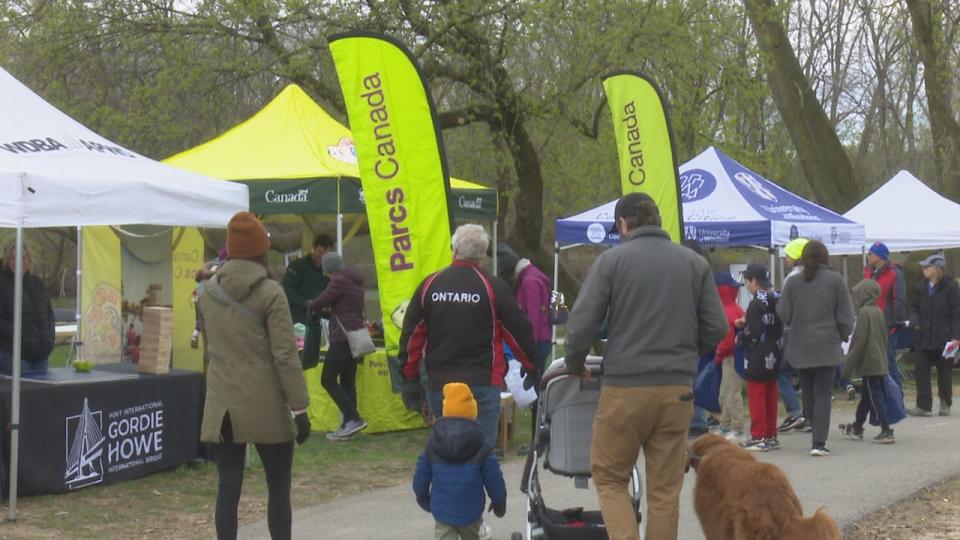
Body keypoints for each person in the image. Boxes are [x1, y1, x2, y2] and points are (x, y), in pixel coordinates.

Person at [564, 192, 727, 540]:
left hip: (625, 388)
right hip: (677, 391)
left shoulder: (612, 261)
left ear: (623, 224)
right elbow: (717, 328)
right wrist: (684, 354)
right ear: (657, 219)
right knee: (664, 491)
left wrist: (575, 362)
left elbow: (582, 322)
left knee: (610, 478)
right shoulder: (694, 263)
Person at [198, 211, 311, 540]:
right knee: (278, 487)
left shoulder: (206, 293)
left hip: (223, 405)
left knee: (228, 485)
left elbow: (211, 348)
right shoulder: (271, 293)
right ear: (263, 249)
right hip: (265, 402)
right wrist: (299, 408)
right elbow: (285, 355)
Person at [399, 224, 539, 449]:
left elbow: (411, 338)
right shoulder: (493, 286)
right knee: (482, 454)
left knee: (447, 452)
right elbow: (519, 330)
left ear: (454, 249)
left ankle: (448, 484)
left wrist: (410, 379)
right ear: (482, 255)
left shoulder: (430, 285)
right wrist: (531, 364)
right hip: (483, 382)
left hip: (440, 385)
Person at [777, 240, 854, 457]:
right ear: (825, 257)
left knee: (808, 393)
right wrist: (842, 335)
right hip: (827, 345)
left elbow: (784, 313)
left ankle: (812, 425)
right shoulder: (835, 280)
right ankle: (819, 442)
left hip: (800, 345)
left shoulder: (793, 282)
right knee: (823, 393)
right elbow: (845, 316)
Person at [413, 382, 507, 540]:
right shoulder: (482, 444)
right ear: (473, 411)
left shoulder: (433, 442)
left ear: (445, 410)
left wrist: (422, 496)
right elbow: (494, 478)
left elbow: (421, 475)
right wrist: (499, 502)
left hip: (442, 509)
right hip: (471, 510)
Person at [307, 252, 368, 440]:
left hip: (342, 337)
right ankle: (348, 427)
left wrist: (310, 304)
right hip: (355, 336)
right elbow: (344, 306)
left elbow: (322, 300)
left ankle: (353, 418)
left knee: (328, 379)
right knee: (347, 381)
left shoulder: (339, 280)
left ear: (330, 269)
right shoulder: (354, 281)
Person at [496, 242, 552, 443]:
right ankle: (539, 437)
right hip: (540, 341)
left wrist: (530, 350)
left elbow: (532, 320)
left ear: (511, 272)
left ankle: (539, 438)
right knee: (536, 390)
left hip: (536, 343)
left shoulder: (529, 282)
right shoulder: (533, 276)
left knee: (535, 392)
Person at [838, 279, 895, 443]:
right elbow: (884, 337)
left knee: (874, 397)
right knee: (867, 397)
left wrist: (847, 367)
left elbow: (859, 342)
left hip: (870, 364)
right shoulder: (878, 310)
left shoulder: (864, 312)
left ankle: (886, 430)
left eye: (858, 294)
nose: (856, 298)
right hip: (879, 361)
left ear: (865, 295)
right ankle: (857, 427)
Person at [907, 254, 960, 417]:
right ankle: (923, 405)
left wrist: (956, 337)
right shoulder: (920, 287)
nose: (923, 269)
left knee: (944, 372)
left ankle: (945, 403)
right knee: (921, 370)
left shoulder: (951, 287)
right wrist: (915, 321)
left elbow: (956, 314)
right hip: (923, 337)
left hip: (944, 338)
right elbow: (914, 307)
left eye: (926, 267)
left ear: (937, 269)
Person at [737, 263, 783, 452]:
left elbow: (753, 331)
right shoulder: (776, 297)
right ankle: (771, 434)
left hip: (757, 355)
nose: (747, 286)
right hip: (775, 350)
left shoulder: (756, 303)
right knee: (771, 394)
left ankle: (758, 436)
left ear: (753, 281)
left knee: (756, 395)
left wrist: (741, 336)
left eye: (747, 281)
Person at [0, 241, 55, 374]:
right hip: (14, 355)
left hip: (41, 355)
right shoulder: (2, 284)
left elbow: (48, 315)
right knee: (21, 394)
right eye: (14, 258)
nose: (19, 262)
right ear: (7, 261)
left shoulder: (38, 283)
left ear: (29, 260)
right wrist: (16, 337)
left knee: (41, 394)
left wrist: (49, 338)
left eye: (23, 258)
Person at [282, 234, 335, 370]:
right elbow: (287, 290)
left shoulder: (327, 273)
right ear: (313, 248)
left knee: (312, 361)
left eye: (326, 255)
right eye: (319, 253)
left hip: (317, 323)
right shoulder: (297, 266)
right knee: (297, 359)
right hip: (297, 320)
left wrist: (328, 308)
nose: (322, 257)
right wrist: (305, 303)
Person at [864, 241, 907, 389]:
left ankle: (896, 399)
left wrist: (896, 323)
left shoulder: (894, 273)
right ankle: (880, 397)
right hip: (870, 324)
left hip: (887, 325)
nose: (868, 256)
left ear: (880, 256)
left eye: (871, 254)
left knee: (889, 362)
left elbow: (899, 299)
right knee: (873, 363)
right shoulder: (869, 272)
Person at [777, 238, 809, 433]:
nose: (786, 259)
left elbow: (785, 307)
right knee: (806, 375)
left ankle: (795, 412)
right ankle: (807, 414)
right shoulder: (815, 275)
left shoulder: (792, 278)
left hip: (791, 330)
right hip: (808, 332)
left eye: (788, 255)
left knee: (782, 372)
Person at [715, 272, 745, 439]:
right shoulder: (737, 308)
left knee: (731, 393)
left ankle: (736, 426)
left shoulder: (724, 311)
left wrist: (719, 354)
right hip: (735, 356)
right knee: (726, 392)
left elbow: (726, 340)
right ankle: (726, 425)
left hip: (730, 357)